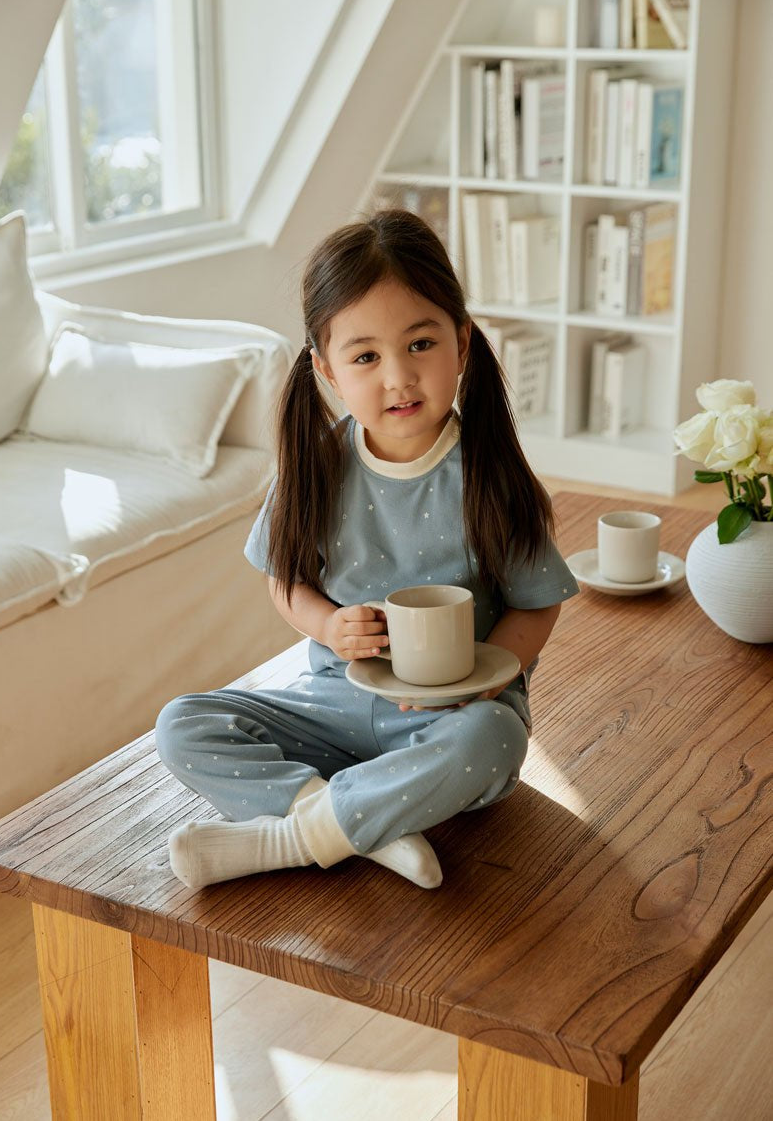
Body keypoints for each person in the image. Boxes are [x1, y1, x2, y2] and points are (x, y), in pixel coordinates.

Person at [155, 208, 578, 891]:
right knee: (183, 724)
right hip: (335, 705)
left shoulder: (492, 475)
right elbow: (285, 581)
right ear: (326, 370)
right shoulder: (316, 468)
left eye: (420, 344)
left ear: (461, 343)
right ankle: (360, 824)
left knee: (492, 743)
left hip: (450, 720)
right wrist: (325, 624)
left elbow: (536, 607)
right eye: (365, 357)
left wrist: (491, 677)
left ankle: (295, 838)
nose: (397, 378)